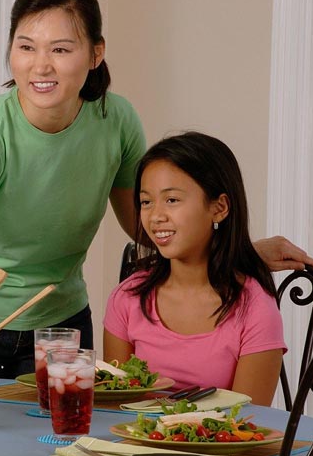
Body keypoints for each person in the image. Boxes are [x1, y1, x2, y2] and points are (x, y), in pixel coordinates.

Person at [0, 0, 313, 379]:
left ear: (95, 53)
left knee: (64, 454)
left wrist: (238, 249)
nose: (40, 66)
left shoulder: (116, 119)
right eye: (26, 47)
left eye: (60, 49)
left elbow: (145, 223)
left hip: (60, 326)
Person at [102, 132, 288, 406]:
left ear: (219, 208)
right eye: (146, 201)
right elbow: (113, 407)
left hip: (220, 448)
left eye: (172, 200)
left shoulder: (255, 309)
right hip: (132, 446)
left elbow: (249, 422)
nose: (156, 216)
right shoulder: (127, 298)